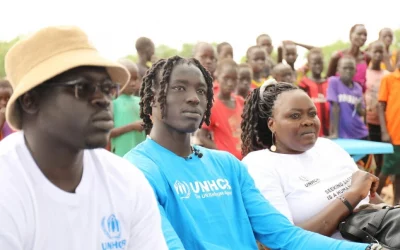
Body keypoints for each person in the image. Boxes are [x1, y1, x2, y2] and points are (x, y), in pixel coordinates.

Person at [124, 55, 375, 250]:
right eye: (179, 88)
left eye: (201, 90)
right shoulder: (136, 171)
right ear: (152, 98)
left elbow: (285, 236)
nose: (193, 98)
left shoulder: (227, 165)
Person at [0, 26, 167, 250]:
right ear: (30, 100)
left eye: (108, 88)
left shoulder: (127, 183)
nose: (103, 99)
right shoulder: (7, 187)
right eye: (82, 87)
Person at [241, 81, 386, 241]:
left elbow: (370, 197)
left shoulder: (327, 147)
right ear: (272, 124)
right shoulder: (260, 165)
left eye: (312, 113)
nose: (308, 121)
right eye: (295, 116)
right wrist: (351, 196)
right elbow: (285, 240)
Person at [197, 58, 244, 159]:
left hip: (244, 160)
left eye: (234, 79)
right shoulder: (212, 105)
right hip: (226, 162)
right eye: (226, 78)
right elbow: (202, 136)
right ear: (217, 76)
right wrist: (221, 152)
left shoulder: (240, 101)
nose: (230, 83)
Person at [109, 59, 146, 157]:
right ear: (118, 79)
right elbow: (108, 133)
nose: (133, 83)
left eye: (136, 79)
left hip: (140, 156)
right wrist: (132, 126)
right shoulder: (112, 103)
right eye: (129, 79)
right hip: (121, 156)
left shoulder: (140, 101)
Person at [327, 56, 368, 140]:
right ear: (338, 69)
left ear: (355, 71)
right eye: (345, 68)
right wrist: (335, 133)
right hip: (341, 134)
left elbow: (362, 113)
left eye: (351, 68)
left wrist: (359, 107)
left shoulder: (358, 88)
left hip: (359, 132)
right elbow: (335, 107)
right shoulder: (334, 82)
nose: (348, 71)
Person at [377, 60, 400, 205]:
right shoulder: (389, 78)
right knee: (385, 170)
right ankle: (374, 199)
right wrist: (384, 132)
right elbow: (381, 105)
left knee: (399, 173)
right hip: (393, 134)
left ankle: (397, 202)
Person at [365, 41, 389, 175]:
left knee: (383, 160)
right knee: (370, 158)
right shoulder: (364, 73)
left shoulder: (386, 75)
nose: (378, 55)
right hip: (368, 122)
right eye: (376, 51)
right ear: (370, 53)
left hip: (384, 123)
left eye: (381, 52)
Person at [327, 24, 370, 93]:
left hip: (359, 100)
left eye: (365, 35)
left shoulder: (367, 57)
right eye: (359, 34)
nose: (363, 37)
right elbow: (328, 80)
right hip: (340, 99)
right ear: (351, 35)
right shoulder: (337, 56)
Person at [298, 48, 330, 136]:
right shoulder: (304, 83)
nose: (318, 66)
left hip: (329, 129)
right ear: (308, 65)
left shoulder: (329, 82)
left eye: (320, 63)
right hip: (311, 129)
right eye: (314, 63)